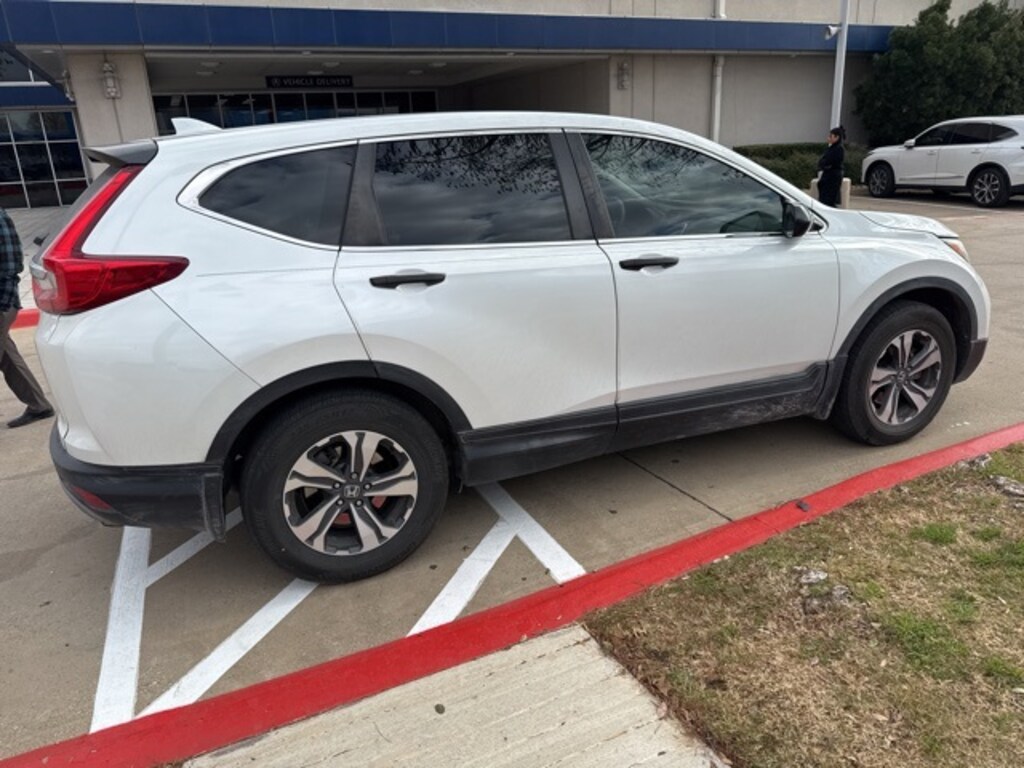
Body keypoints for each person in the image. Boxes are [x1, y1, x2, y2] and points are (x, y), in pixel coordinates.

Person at [0, 208, 54, 428]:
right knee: (7, 357)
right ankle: (38, 405)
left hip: (1, 301)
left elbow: (11, 264)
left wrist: (3, 304)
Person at [817, 126, 846, 207]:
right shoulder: (831, 148)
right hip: (827, 176)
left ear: (837, 137)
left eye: (831, 136)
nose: (828, 138)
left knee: (829, 199)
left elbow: (831, 161)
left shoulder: (839, 149)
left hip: (833, 177)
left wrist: (825, 165)